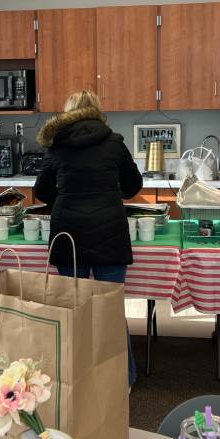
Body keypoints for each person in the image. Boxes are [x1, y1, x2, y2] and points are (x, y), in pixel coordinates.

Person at [34, 90, 144, 387]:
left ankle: (76, 379)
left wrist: (67, 196)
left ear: (68, 112)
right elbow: (133, 185)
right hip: (110, 231)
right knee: (110, 311)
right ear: (97, 110)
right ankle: (122, 380)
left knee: (73, 310)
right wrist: (109, 192)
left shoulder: (57, 145)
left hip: (68, 235)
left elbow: (41, 191)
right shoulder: (114, 142)